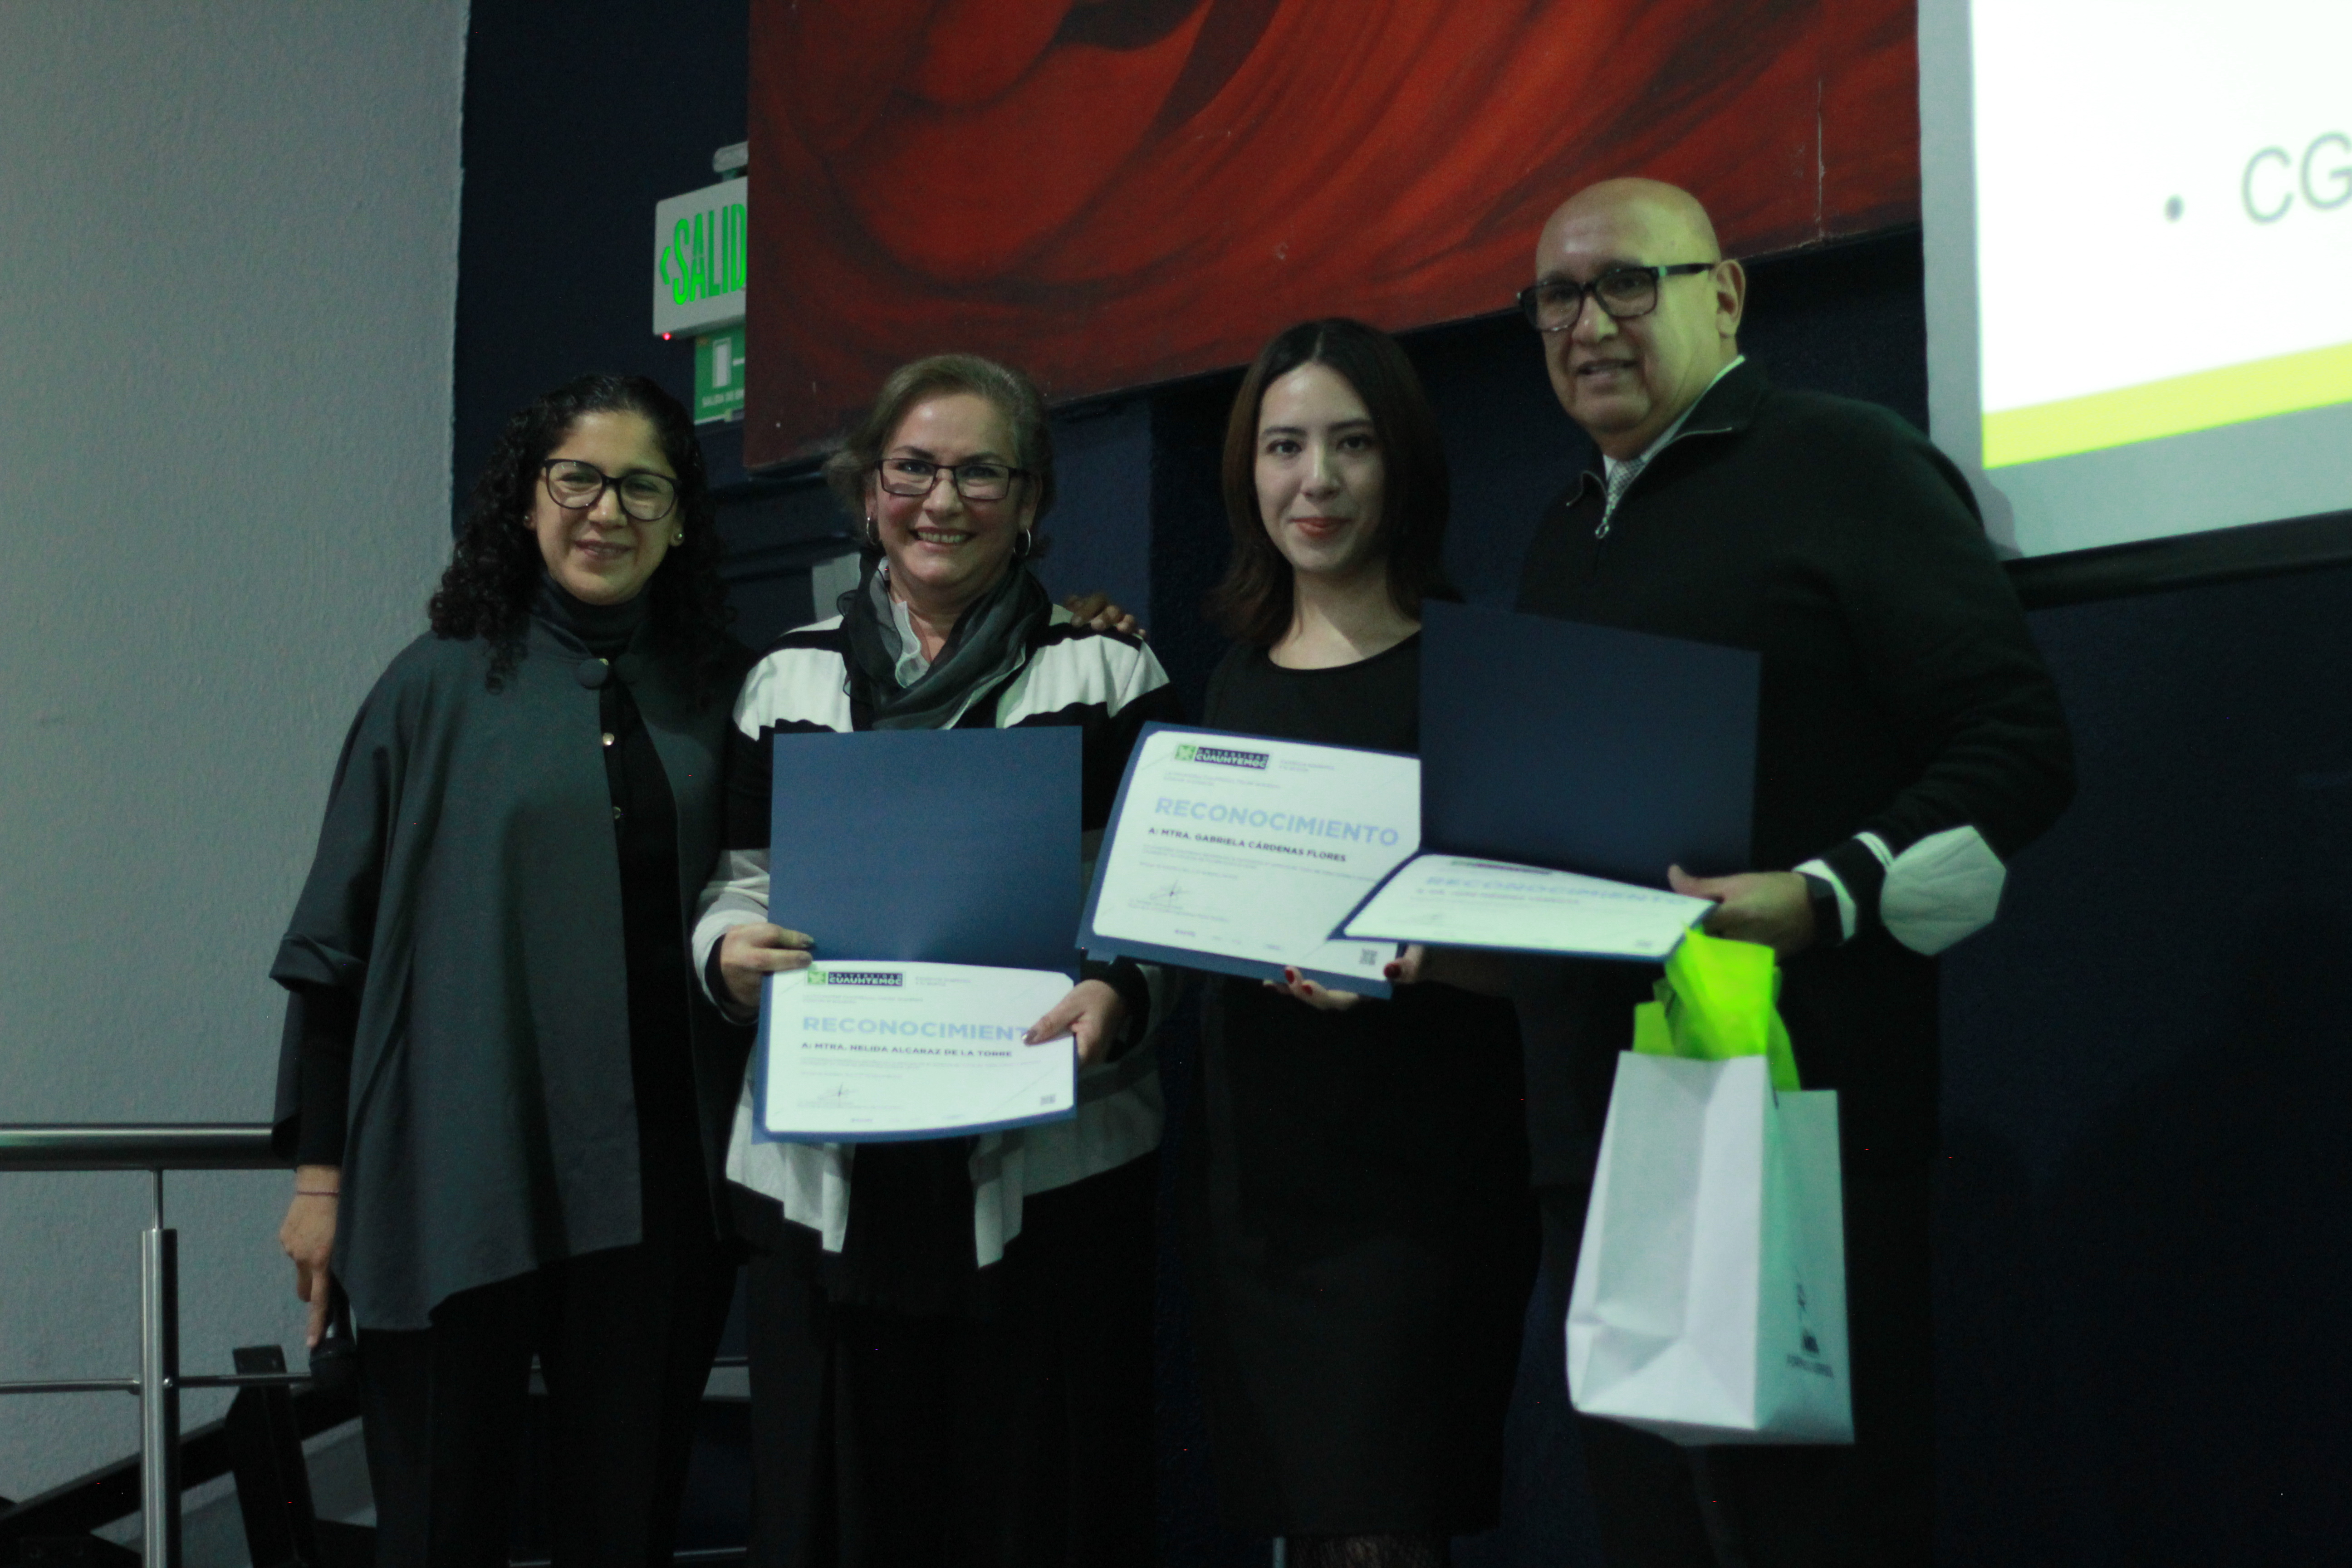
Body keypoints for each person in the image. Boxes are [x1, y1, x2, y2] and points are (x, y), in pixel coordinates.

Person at [1508, 179, 2076, 1565]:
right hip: (1617, 1126)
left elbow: (2018, 746)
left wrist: (1822, 896)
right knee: (1652, 1524)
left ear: (1726, 294)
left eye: (1627, 283)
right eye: (1559, 297)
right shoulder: (1563, 528)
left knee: (1822, 1533)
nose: (1590, 323)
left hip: (1810, 1117)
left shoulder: (1849, 464)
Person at [692, 353, 1183, 1567]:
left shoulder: (1108, 672)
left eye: (980, 472)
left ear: (1030, 503)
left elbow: (1161, 901)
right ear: (870, 492)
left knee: (1033, 1516)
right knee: (843, 1521)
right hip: (832, 1181)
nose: (942, 499)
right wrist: (728, 954)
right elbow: (735, 887)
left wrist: (1117, 988)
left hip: (1047, 1181)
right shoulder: (789, 676)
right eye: (913, 468)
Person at [270, 374, 755, 1567]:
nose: (608, 511)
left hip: (660, 1193)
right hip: (456, 1177)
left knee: (623, 1525)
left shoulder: (720, 691)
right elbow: (332, 954)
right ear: (526, 503)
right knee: (443, 1527)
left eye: (643, 486)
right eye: (577, 479)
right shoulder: (433, 687)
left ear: (680, 515)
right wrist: (320, 1183)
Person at [1183, 319, 1539, 1568]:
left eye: (1351, 445)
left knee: (1391, 1526)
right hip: (1263, 1188)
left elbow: (1557, 951)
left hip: (1426, 1186)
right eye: (1284, 447)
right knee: (1313, 1524)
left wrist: (1423, 959)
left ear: (1404, 470)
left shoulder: (1480, 676)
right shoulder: (1221, 686)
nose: (1315, 482)